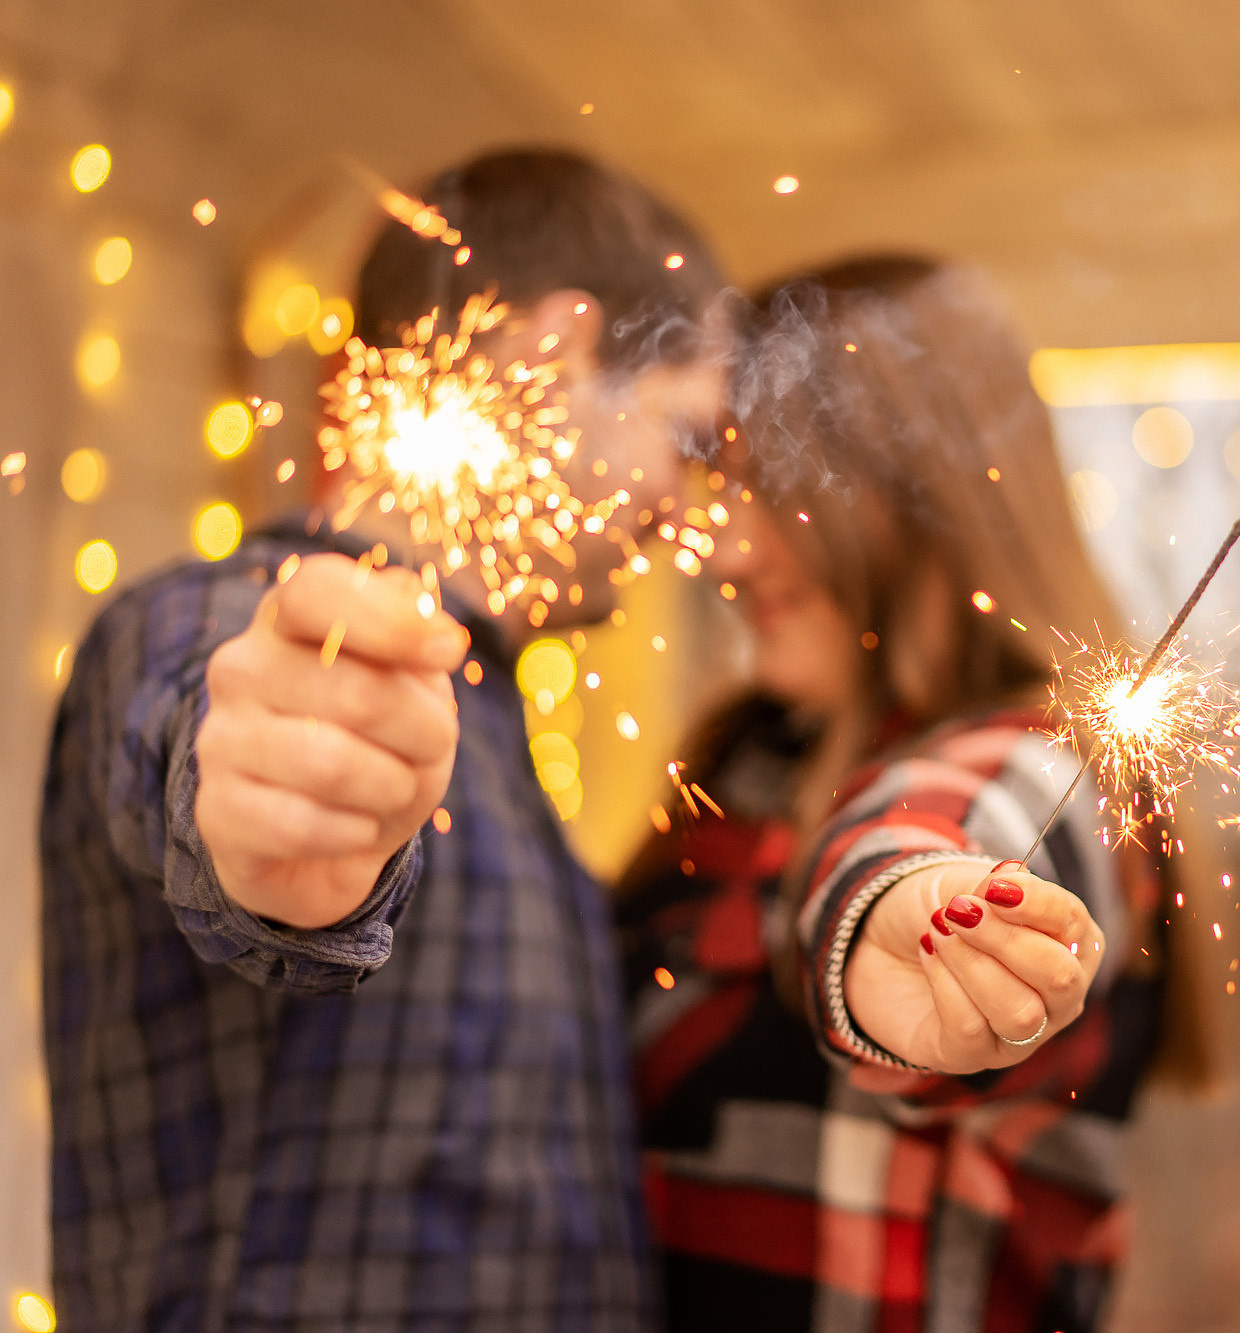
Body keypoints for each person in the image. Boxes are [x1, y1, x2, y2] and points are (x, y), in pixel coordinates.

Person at [40, 148, 733, 1331]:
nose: (691, 515)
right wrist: (266, 835)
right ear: (552, 352)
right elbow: (206, 719)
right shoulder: (218, 622)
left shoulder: (498, 710)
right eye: (686, 435)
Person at [614, 256, 1225, 1333]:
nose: (725, 544)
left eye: (773, 485)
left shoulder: (1058, 765)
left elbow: (933, 825)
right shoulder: (747, 763)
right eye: (722, 481)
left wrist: (907, 908)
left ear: (914, 487)